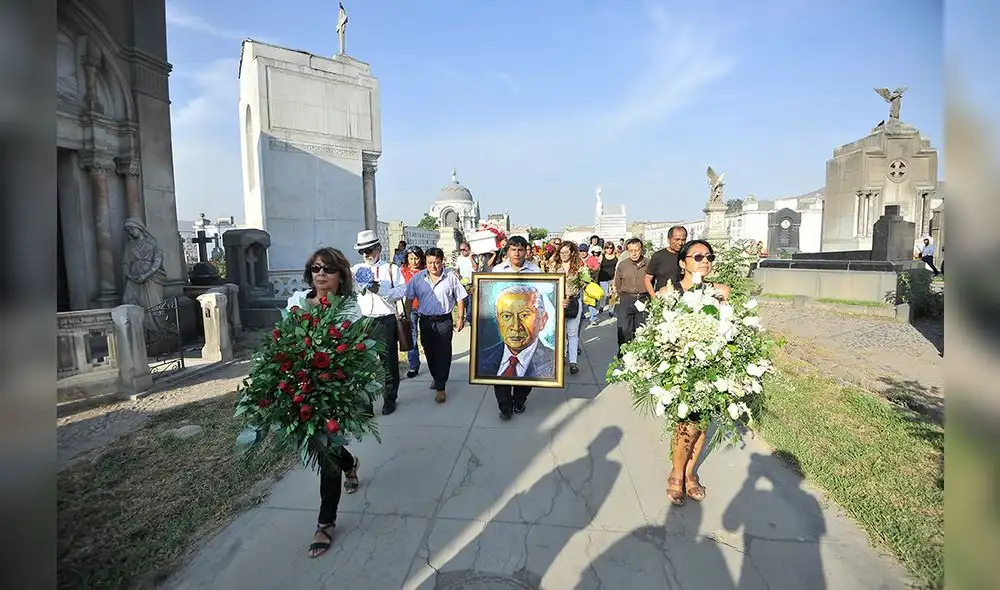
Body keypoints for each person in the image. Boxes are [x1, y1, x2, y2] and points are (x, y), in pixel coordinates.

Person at [286, 247, 364, 558]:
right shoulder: (296, 302)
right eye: (316, 268)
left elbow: (355, 354)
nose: (321, 274)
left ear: (341, 275)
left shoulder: (349, 310)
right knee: (324, 446)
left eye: (329, 269)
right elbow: (284, 340)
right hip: (301, 387)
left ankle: (325, 522)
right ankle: (352, 464)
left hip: (334, 390)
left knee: (327, 451)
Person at [661, 239, 731, 506]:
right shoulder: (671, 293)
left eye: (708, 257)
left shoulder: (721, 291)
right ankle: (677, 474)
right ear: (683, 262)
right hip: (682, 369)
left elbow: (732, 328)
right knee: (685, 424)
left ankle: (690, 473)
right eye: (698, 256)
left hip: (714, 367)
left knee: (702, 425)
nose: (705, 261)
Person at [351, 230, 406, 415]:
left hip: (385, 320)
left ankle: (390, 398)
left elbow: (401, 291)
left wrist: (379, 288)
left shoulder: (391, 269)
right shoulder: (355, 270)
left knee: (388, 362)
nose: (367, 254)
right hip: (364, 321)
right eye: (362, 251)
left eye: (370, 249)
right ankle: (366, 403)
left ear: (379, 248)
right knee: (363, 364)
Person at [488, 235, 542, 420]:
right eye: (513, 249)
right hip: (502, 334)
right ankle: (505, 407)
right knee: (499, 370)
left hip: (529, 335)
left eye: (520, 249)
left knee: (528, 371)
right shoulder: (497, 270)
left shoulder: (536, 272)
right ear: (508, 251)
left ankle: (519, 400)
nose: (517, 253)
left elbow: (547, 295)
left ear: (526, 251)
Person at [404, 247, 467, 403]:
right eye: (430, 263)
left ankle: (441, 387)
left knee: (444, 353)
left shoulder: (450, 278)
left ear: (442, 262)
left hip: (444, 320)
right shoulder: (418, 279)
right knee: (429, 352)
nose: (433, 266)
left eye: (436, 263)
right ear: (426, 262)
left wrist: (460, 317)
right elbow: (409, 299)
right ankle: (436, 377)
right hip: (425, 321)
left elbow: (460, 298)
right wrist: (406, 318)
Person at [546, 241, 585, 374]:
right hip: (557, 302)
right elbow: (549, 283)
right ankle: (561, 356)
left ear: (572, 253)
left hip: (573, 302)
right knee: (559, 333)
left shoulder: (579, 267)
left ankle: (573, 362)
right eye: (561, 252)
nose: (563, 255)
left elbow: (585, 283)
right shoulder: (554, 265)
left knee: (572, 334)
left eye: (566, 252)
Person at [400, 246, 426, 378]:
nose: (414, 261)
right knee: (412, 336)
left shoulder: (426, 271)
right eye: (411, 259)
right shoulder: (402, 271)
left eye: (417, 258)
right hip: (410, 308)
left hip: (425, 308)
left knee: (427, 337)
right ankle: (413, 366)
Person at [644, 226, 688, 297]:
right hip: (663, 299)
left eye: (683, 240)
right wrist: (654, 298)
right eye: (677, 239)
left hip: (684, 299)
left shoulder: (688, 256)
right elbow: (647, 279)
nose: (680, 243)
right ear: (668, 239)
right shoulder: (658, 256)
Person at [454, 241, 476, 324]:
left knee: (471, 301)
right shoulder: (459, 258)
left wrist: (471, 257)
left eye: (464, 249)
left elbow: (476, 268)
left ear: (468, 248)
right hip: (463, 283)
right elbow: (456, 270)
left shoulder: (473, 257)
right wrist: (459, 276)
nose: (462, 251)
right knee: (465, 301)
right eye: (460, 250)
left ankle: (469, 319)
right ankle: (467, 316)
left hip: (472, 282)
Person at [595, 241, 619, 319]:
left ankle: (611, 310)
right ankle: (602, 306)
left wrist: (615, 279)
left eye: (611, 248)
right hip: (603, 278)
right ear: (604, 249)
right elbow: (597, 266)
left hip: (613, 279)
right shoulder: (602, 256)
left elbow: (617, 268)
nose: (609, 249)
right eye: (607, 248)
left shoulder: (616, 257)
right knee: (604, 294)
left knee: (613, 295)